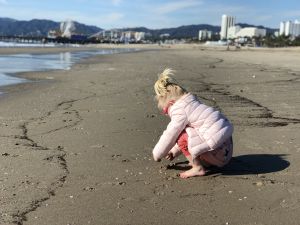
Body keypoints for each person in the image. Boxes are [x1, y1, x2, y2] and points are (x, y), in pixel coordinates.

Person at [152, 68, 234, 178]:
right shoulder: (193, 105)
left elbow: (170, 134)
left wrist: (158, 154)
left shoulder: (179, 110)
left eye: (166, 110)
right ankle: (205, 161)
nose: (167, 113)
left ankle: (197, 168)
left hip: (216, 155)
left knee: (180, 134)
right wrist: (174, 151)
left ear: (171, 103)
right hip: (226, 151)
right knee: (190, 131)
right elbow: (196, 134)